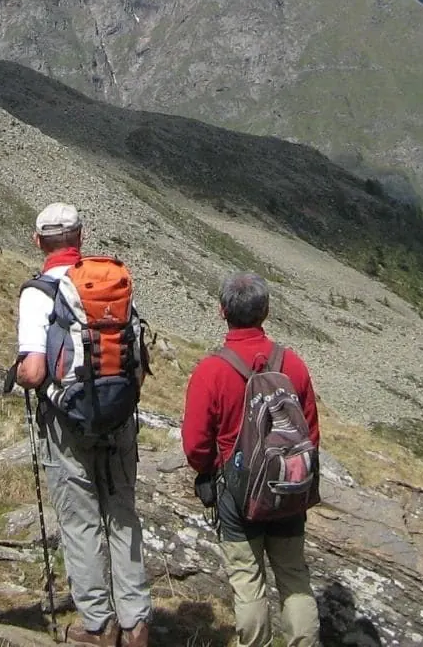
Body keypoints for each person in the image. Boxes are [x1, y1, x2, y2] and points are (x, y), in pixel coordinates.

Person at [14, 202, 153, 647]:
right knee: (122, 512)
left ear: (39, 242)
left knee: (80, 519)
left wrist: (18, 374)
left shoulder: (38, 292)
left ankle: (98, 624)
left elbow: (34, 372)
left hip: (66, 420)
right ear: (80, 238)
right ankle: (137, 623)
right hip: (119, 415)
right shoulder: (109, 283)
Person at [183, 272, 320, 647]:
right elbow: (310, 434)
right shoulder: (293, 365)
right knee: (293, 574)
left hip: (239, 492)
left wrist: (212, 470)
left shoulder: (211, 371)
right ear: (267, 311)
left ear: (222, 311)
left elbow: (195, 444)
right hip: (289, 487)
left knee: (248, 578)